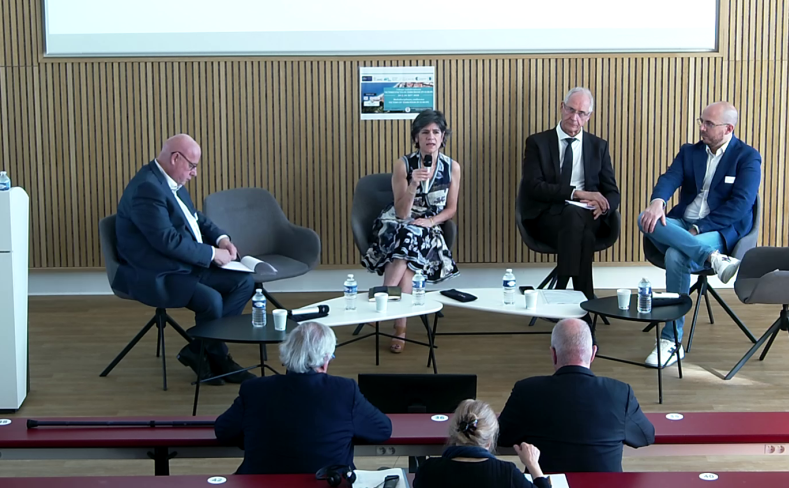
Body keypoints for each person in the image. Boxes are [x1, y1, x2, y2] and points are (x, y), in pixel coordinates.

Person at [115, 134, 256, 386]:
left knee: (244, 282)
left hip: (183, 263)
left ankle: (201, 351)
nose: (195, 173)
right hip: (156, 272)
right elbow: (166, 241)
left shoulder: (170, 181)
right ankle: (216, 355)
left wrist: (221, 239)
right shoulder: (147, 188)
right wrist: (213, 254)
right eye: (192, 166)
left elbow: (196, 218)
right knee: (210, 299)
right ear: (175, 158)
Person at [638, 101, 761, 368]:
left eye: (708, 124)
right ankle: (713, 259)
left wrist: (699, 228)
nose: (702, 128)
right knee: (644, 218)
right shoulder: (690, 152)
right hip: (682, 224)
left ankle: (671, 342)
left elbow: (740, 205)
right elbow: (670, 177)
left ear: (728, 129)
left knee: (676, 255)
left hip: (717, 231)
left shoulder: (747, 157)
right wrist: (658, 201)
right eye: (701, 121)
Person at [214, 321, 392, 474]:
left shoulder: (254, 389)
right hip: (328, 482)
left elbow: (224, 431)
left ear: (285, 357)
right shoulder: (345, 390)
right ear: (325, 360)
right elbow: (382, 430)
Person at [361, 109, 461, 353]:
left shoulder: (453, 167)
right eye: (425, 132)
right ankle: (400, 329)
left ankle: (382, 306)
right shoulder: (403, 164)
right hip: (395, 224)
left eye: (436, 132)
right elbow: (401, 213)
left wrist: (431, 221)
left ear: (443, 137)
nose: (431, 137)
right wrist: (414, 184)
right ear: (416, 137)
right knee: (407, 235)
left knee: (408, 251)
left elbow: (451, 209)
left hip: (428, 227)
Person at [497, 318, 654, 472]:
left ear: (553, 354)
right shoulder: (620, 392)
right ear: (593, 353)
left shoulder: (526, 391)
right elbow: (645, 436)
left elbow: (501, 437)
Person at [518, 87, 620, 300]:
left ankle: (561, 295)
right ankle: (585, 300)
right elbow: (533, 187)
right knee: (583, 233)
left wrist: (604, 205)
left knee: (577, 220)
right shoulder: (538, 143)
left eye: (581, 113)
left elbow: (612, 192)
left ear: (589, 117)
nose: (574, 118)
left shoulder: (598, 146)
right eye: (570, 110)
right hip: (548, 217)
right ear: (561, 108)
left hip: (589, 216)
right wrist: (578, 194)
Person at [414, 399, 550, 488]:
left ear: (454, 434)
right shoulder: (507, 474)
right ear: (490, 440)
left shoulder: (428, 470)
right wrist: (533, 465)